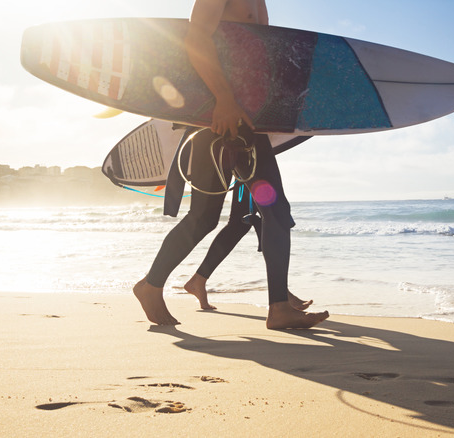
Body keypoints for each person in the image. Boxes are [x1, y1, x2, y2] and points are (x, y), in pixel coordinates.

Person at [133, 0, 328, 329]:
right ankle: (150, 285)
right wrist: (223, 99)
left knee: (274, 212)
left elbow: (260, 56)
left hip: (249, 122)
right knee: (205, 217)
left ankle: (279, 307)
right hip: (217, 118)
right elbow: (195, 39)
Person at [183, 179, 313, 312]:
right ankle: (281, 296)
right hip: (252, 166)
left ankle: (198, 280)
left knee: (240, 224)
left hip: (250, 167)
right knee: (270, 220)